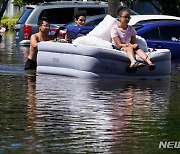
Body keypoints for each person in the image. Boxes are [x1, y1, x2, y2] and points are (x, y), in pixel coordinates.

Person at [111, 6, 155, 71]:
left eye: (129, 18)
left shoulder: (131, 29)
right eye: (125, 17)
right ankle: (133, 62)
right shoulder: (115, 29)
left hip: (128, 46)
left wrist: (134, 45)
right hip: (119, 47)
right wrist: (129, 45)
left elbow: (133, 42)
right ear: (119, 17)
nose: (127, 19)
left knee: (137, 48)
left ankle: (150, 63)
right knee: (130, 47)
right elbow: (119, 44)